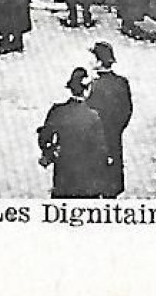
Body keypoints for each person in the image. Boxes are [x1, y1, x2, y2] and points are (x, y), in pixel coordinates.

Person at [36, 67, 110, 200]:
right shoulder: (93, 117)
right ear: (87, 91)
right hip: (87, 184)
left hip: (63, 177)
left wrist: (50, 152)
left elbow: (44, 138)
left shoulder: (57, 111)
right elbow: (101, 150)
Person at [85, 42, 133, 197]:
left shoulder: (94, 86)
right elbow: (127, 111)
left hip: (95, 140)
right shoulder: (122, 83)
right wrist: (116, 129)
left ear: (99, 62)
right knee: (111, 179)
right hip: (114, 136)